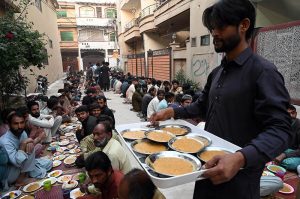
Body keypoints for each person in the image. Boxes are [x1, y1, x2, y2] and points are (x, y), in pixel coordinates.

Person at [150, 0, 292, 198]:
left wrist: (240, 158)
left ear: (244, 25)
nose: (214, 32)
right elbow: (202, 106)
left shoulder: (263, 72)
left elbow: (281, 130)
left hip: (238, 183)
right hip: (205, 172)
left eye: (221, 26)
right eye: (212, 27)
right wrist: (172, 111)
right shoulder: (217, 72)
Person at [0, 111, 52, 188]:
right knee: (29, 148)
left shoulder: (22, 132)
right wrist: (23, 145)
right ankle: (20, 180)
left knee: (48, 163)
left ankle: (28, 173)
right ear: (9, 124)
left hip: (23, 166)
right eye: (16, 123)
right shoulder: (5, 141)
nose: (20, 126)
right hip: (11, 172)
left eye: (22, 123)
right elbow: (16, 163)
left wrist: (27, 144)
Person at [275, 104, 300, 170]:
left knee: (291, 164)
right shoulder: (281, 124)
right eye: (288, 114)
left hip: (297, 153)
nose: (291, 116)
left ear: (296, 113)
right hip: (289, 150)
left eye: (293, 113)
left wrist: (284, 155)